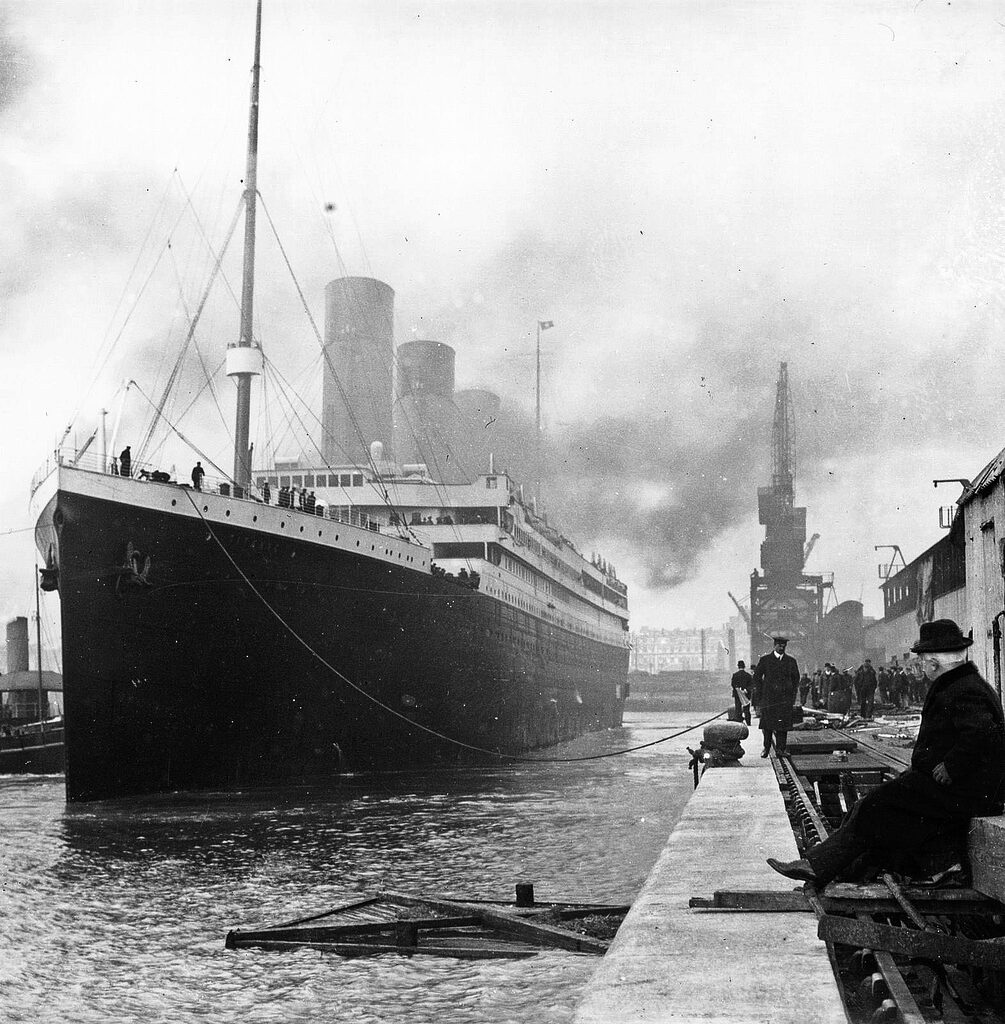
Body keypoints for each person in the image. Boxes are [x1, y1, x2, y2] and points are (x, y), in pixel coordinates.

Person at [767, 619, 1005, 886]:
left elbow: (983, 733)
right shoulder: (961, 684)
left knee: (873, 806)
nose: (921, 666)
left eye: (923, 661)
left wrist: (951, 765)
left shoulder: (962, 690)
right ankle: (836, 871)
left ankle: (818, 866)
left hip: (962, 790)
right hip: (955, 786)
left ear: (934, 663)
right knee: (877, 811)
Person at [751, 636, 800, 757]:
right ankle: (766, 748)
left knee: (782, 727)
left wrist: (791, 694)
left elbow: (796, 679)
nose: (782, 648)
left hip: (784, 700)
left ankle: (780, 750)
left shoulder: (791, 661)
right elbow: (757, 677)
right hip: (769, 699)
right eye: (779, 646)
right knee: (767, 726)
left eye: (784, 646)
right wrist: (763, 692)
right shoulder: (765, 660)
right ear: (774, 646)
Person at [730, 660, 753, 726]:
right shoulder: (748, 675)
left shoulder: (735, 675)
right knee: (746, 709)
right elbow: (751, 685)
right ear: (744, 666)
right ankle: (748, 722)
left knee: (738, 708)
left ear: (738, 666)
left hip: (737, 694)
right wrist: (745, 690)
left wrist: (738, 689)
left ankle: (739, 722)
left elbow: (733, 684)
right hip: (746, 694)